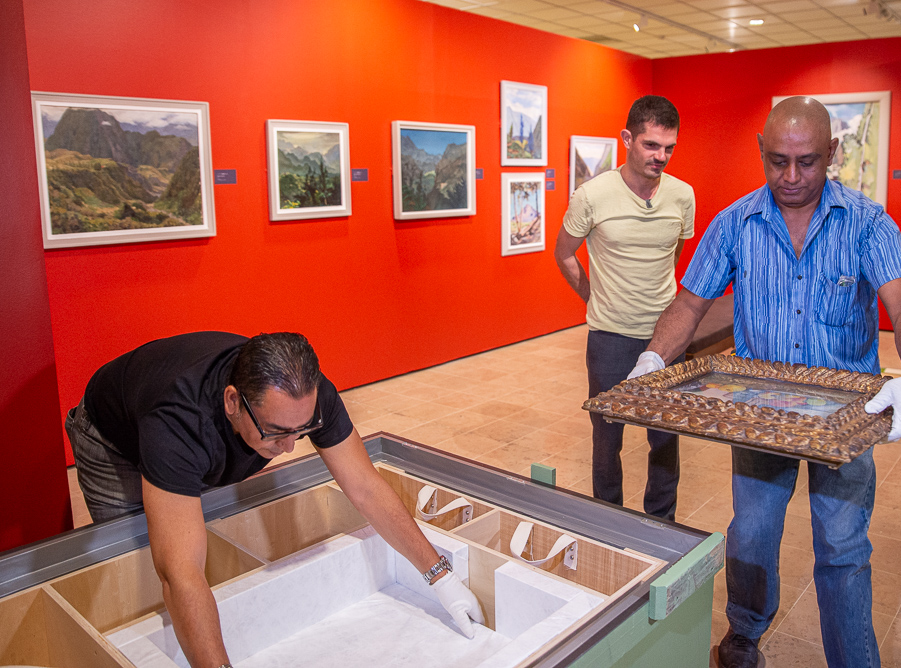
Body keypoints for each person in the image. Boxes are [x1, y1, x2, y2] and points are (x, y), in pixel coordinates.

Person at [629, 96, 901, 668]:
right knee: (751, 535)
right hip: (760, 414)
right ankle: (743, 636)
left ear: (833, 154)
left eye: (808, 162)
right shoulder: (734, 223)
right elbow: (690, 304)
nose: (790, 177)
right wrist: (652, 358)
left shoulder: (868, 224)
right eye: (777, 162)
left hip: (847, 419)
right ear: (761, 151)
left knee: (843, 548)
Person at [66, 331, 484, 668]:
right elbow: (181, 571)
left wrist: (440, 576)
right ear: (233, 402)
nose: (289, 448)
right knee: (140, 569)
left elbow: (366, 488)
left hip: (191, 430)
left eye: (301, 431)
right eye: (276, 432)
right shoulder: (178, 424)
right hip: (112, 442)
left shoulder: (307, 396)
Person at [554, 95, 695, 521]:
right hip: (610, 337)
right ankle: (609, 522)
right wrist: (594, 297)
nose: (661, 157)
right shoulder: (592, 195)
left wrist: (661, 309)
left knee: (666, 436)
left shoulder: (682, 195)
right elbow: (564, 254)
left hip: (666, 339)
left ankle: (661, 522)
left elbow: (674, 253)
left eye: (669, 148)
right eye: (652, 145)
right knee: (606, 437)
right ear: (627, 138)